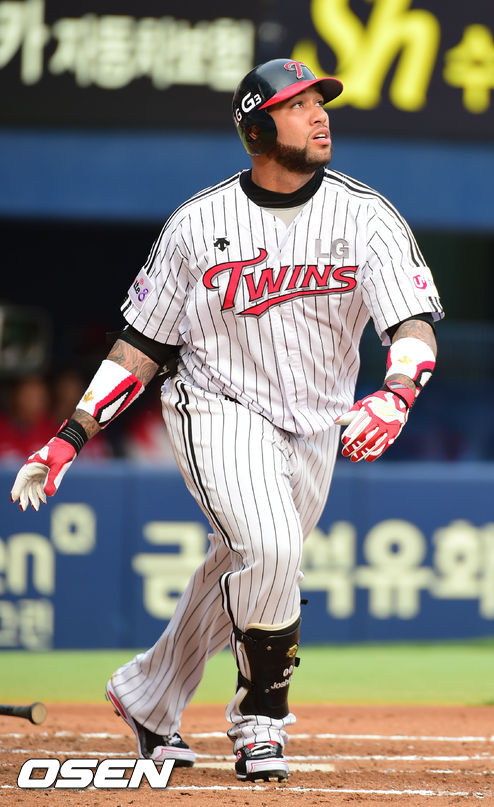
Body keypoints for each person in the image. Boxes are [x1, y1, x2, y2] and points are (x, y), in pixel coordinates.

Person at [10, 58, 443, 782]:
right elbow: (143, 343)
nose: (318, 114)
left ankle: (149, 693)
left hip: (316, 422)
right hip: (215, 404)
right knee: (271, 547)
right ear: (257, 128)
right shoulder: (198, 224)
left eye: (319, 101)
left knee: (247, 563)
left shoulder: (366, 215)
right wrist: (70, 435)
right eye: (297, 105)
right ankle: (260, 719)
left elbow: (413, 322)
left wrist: (397, 392)